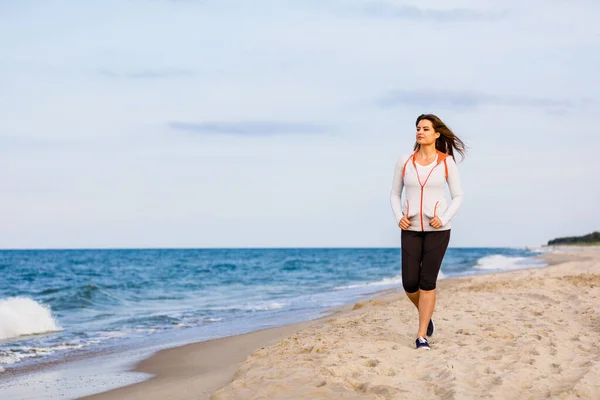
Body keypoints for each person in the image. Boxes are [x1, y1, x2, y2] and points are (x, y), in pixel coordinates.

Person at [390, 114, 466, 350]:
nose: (420, 132)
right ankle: (427, 314)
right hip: (410, 228)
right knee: (410, 283)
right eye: (418, 128)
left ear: (436, 134)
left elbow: (458, 196)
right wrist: (398, 218)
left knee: (427, 282)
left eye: (425, 128)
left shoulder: (446, 162)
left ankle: (421, 335)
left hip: (438, 230)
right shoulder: (405, 161)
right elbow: (394, 194)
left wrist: (443, 218)